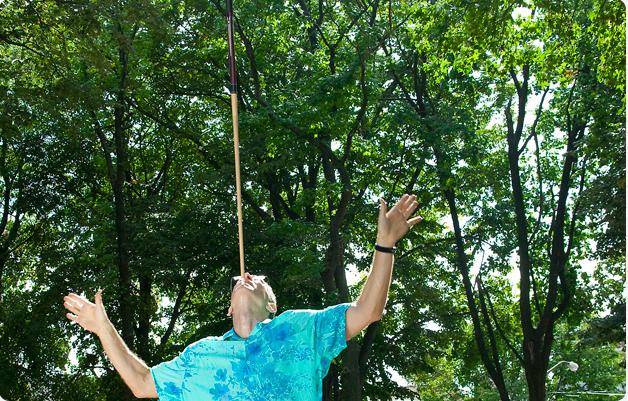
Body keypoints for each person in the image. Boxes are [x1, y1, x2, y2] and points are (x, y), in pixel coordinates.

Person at [63, 194, 421, 400]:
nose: (247, 276)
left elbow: (369, 310)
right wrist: (103, 328)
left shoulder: (300, 328)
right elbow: (143, 385)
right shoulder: (201, 355)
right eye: (240, 279)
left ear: (272, 304)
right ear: (230, 305)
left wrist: (384, 245)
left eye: (259, 280)